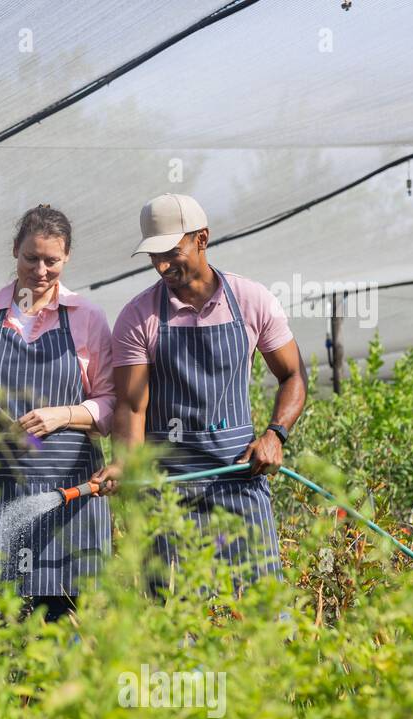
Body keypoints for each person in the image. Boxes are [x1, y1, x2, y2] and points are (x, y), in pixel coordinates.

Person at [91, 193, 306, 595]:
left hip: (240, 480)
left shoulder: (251, 300)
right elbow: (132, 407)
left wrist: (275, 435)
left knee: (259, 617)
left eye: (171, 252)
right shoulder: (139, 317)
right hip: (167, 495)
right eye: (153, 256)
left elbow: (293, 375)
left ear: (202, 238)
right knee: (178, 620)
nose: (161, 265)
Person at [0, 204, 116, 623]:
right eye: (31, 258)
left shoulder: (88, 318)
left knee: (65, 624)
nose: (40, 271)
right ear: (14, 251)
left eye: (51, 261)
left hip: (67, 494)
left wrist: (64, 415)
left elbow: (113, 405)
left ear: (67, 258)